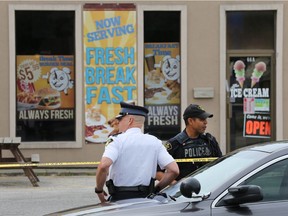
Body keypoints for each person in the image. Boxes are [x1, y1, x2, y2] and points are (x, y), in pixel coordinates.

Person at [95, 102, 179, 203]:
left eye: (120, 119)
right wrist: (156, 189)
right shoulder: (154, 141)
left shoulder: (116, 140)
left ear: (130, 120)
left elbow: (104, 166)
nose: (118, 123)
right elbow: (174, 170)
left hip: (120, 200)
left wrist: (99, 190)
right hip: (146, 200)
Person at [156, 104, 222, 181]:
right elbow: (158, 172)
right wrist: (175, 185)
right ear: (190, 121)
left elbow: (220, 166)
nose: (206, 122)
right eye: (202, 119)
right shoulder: (174, 144)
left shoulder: (210, 141)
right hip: (183, 192)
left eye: (206, 119)